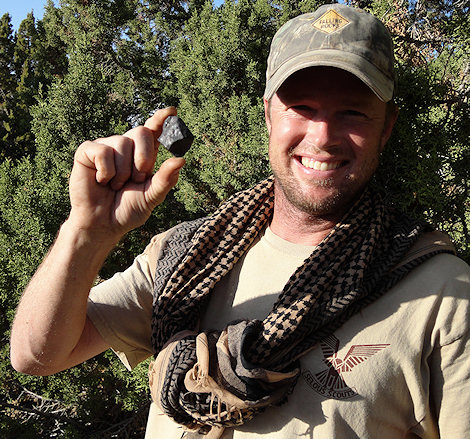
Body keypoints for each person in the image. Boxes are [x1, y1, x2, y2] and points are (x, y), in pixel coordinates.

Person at [10, 4, 470, 438]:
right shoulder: (185, 257)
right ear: (269, 113)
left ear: (386, 126)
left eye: (352, 112)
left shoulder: (446, 295)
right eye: (302, 108)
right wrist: (86, 234)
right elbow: (36, 354)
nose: (323, 136)